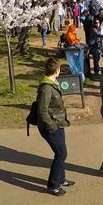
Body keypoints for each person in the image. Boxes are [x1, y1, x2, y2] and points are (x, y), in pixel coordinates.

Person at [35, 58, 74, 195]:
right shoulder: (46, 88)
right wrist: (51, 126)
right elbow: (42, 111)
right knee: (61, 153)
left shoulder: (52, 83)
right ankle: (53, 185)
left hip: (58, 123)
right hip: (51, 126)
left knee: (61, 153)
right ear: (57, 71)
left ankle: (61, 178)